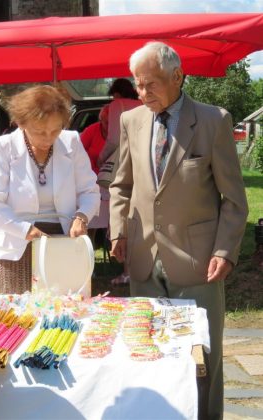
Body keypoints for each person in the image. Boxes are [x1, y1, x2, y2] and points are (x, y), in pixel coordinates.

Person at [109, 41, 248, 420]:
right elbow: (121, 185)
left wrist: (224, 251)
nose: (142, 93)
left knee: (202, 357)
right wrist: (118, 230)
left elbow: (235, 199)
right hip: (143, 259)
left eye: (150, 84)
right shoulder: (131, 121)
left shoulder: (213, 121)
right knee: (147, 352)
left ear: (177, 77)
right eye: (137, 85)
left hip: (198, 262)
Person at [0, 84, 100, 295]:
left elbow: (89, 191)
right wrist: (26, 230)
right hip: (14, 245)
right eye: (39, 131)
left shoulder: (71, 142)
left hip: (63, 242)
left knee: (65, 308)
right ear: (21, 123)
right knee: (16, 312)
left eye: (55, 130)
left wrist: (81, 216)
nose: (48, 138)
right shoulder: (3, 147)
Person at [80, 104, 110, 246]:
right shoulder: (92, 130)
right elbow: (78, 152)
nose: (109, 126)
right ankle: (89, 245)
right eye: (106, 122)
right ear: (101, 120)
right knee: (91, 216)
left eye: (112, 122)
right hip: (91, 179)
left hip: (110, 181)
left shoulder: (120, 131)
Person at [97, 78, 142, 167]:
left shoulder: (116, 104)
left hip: (124, 162)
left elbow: (114, 140)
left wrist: (101, 158)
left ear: (116, 93)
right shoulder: (143, 104)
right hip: (143, 159)